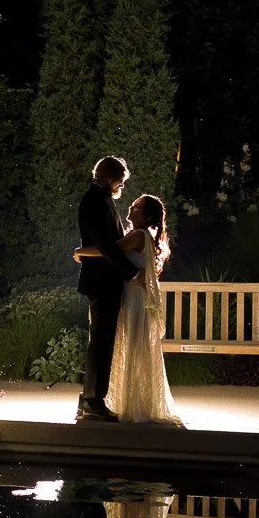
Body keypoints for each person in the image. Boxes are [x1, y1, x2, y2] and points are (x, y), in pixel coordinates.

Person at [75, 193, 184, 426]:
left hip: (134, 299)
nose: (131, 208)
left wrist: (80, 252)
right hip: (130, 296)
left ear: (146, 215)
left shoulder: (138, 235)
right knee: (128, 347)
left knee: (131, 345)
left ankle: (132, 402)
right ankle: (125, 400)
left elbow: (109, 251)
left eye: (137, 207)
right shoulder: (137, 235)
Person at [74, 156, 141, 422]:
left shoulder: (100, 200)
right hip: (102, 281)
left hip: (104, 280)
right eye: (121, 181)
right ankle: (93, 401)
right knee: (101, 341)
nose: (121, 185)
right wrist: (133, 273)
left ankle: (88, 399)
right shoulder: (96, 202)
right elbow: (106, 246)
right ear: (112, 179)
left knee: (101, 340)